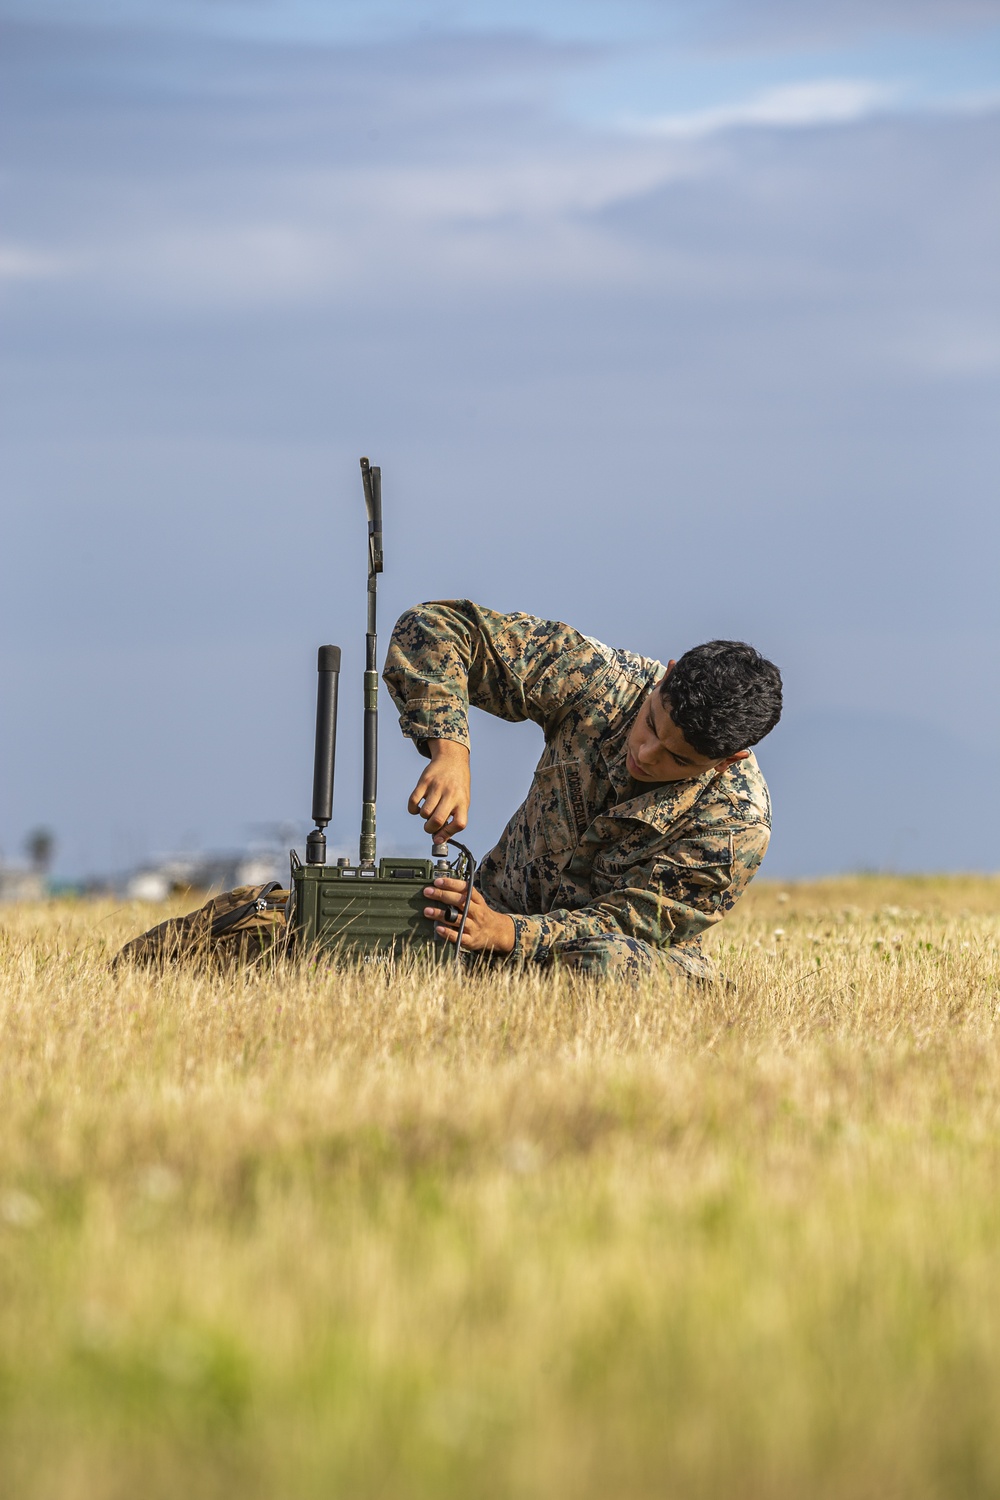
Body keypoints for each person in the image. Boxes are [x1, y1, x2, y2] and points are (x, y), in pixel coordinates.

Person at [383, 601, 782, 982]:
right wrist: (450, 751)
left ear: (728, 759)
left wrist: (510, 934)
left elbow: (627, 925)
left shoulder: (734, 826)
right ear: (666, 676)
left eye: (677, 760)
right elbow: (433, 626)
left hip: (597, 957)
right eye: (651, 724)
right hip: (487, 916)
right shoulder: (601, 682)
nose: (645, 753)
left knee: (608, 963)